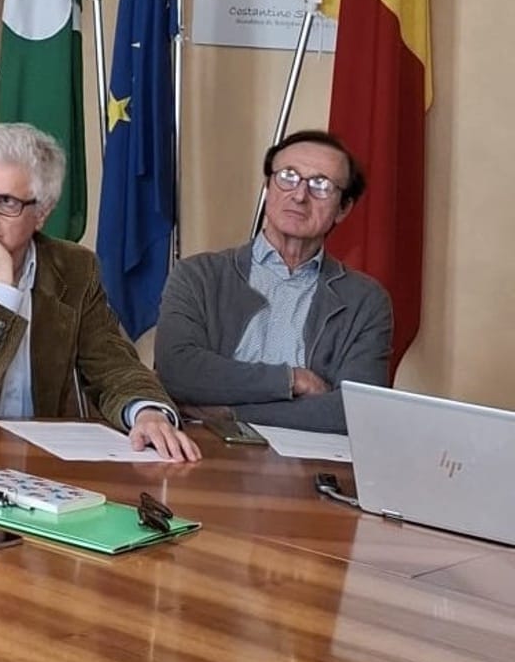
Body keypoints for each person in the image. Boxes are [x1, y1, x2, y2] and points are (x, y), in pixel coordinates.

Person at [0, 123, 199, 461]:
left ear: (42, 213)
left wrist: (146, 411)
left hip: (41, 462)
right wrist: (0, 283)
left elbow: (112, 364)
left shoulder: (74, 268)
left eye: (6, 201)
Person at [154, 129, 391, 434]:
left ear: (343, 208)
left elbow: (357, 412)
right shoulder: (198, 275)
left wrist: (229, 413)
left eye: (321, 185)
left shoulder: (365, 300)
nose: (300, 196)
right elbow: (178, 372)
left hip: (310, 456)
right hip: (205, 447)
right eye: (288, 177)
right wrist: (291, 380)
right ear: (267, 186)